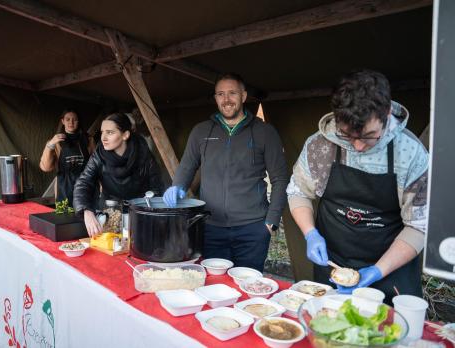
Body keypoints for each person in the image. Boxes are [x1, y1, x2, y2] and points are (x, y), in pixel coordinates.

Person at [287, 69, 428, 303]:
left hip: (390, 271)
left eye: (369, 136)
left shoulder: (411, 153)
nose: (359, 146)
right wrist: (310, 233)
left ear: (385, 113)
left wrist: (378, 270)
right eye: (348, 135)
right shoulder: (320, 146)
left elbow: (419, 226)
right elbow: (298, 192)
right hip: (332, 265)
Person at [162, 73, 288, 272]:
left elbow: (280, 179)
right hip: (212, 227)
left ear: (244, 96)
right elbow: (187, 166)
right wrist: (177, 186)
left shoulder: (265, 132)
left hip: (253, 228)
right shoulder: (201, 131)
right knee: (215, 284)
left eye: (232, 93)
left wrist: (271, 221)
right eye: (221, 94)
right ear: (215, 98)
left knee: (249, 286)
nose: (226, 99)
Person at [73, 112, 163, 236]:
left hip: (138, 214)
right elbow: (83, 182)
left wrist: (144, 212)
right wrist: (86, 210)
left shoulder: (143, 154)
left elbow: (157, 188)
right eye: (102, 132)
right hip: (110, 212)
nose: (103, 138)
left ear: (125, 135)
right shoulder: (98, 155)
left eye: (110, 132)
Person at [39, 109, 95, 205]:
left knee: (85, 214)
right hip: (64, 188)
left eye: (75, 119)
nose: (71, 122)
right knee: (65, 217)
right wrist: (50, 145)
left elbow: (95, 163)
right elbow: (45, 167)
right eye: (68, 119)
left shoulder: (88, 139)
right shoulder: (55, 142)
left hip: (85, 185)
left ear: (79, 121)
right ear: (62, 121)